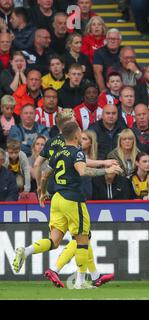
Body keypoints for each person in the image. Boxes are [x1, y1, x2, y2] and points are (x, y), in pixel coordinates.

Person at [13, 121, 122, 289]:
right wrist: (105, 171)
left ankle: (26, 251)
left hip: (57, 199)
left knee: (54, 240)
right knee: (82, 239)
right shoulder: (77, 152)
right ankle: (80, 282)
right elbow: (83, 171)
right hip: (73, 199)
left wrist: (41, 192)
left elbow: (44, 174)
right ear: (77, 135)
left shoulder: (57, 153)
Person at [93, 28, 122, 92]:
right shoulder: (99, 52)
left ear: (120, 41)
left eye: (115, 39)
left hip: (123, 88)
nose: (112, 41)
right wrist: (103, 90)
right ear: (106, 41)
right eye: (110, 39)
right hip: (106, 87)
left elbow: (133, 70)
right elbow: (97, 73)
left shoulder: (125, 51)